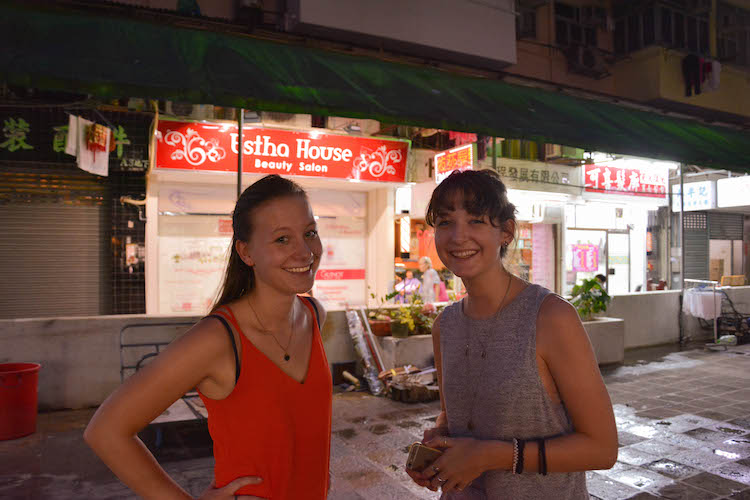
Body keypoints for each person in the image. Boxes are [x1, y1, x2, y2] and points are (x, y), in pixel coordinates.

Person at [85, 175, 331, 500]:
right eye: (282, 240)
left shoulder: (314, 315)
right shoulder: (218, 340)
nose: (305, 252)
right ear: (246, 252)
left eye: (309, 233)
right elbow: (106, 431)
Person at [407, 169, 617, 498]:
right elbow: (453, 416)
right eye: (446, 222)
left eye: (476, 220)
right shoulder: (445, 325)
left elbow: (602, 449)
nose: (459, 236)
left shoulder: (550, 317)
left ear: (505, 231)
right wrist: (439, 448)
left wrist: (491, 455)